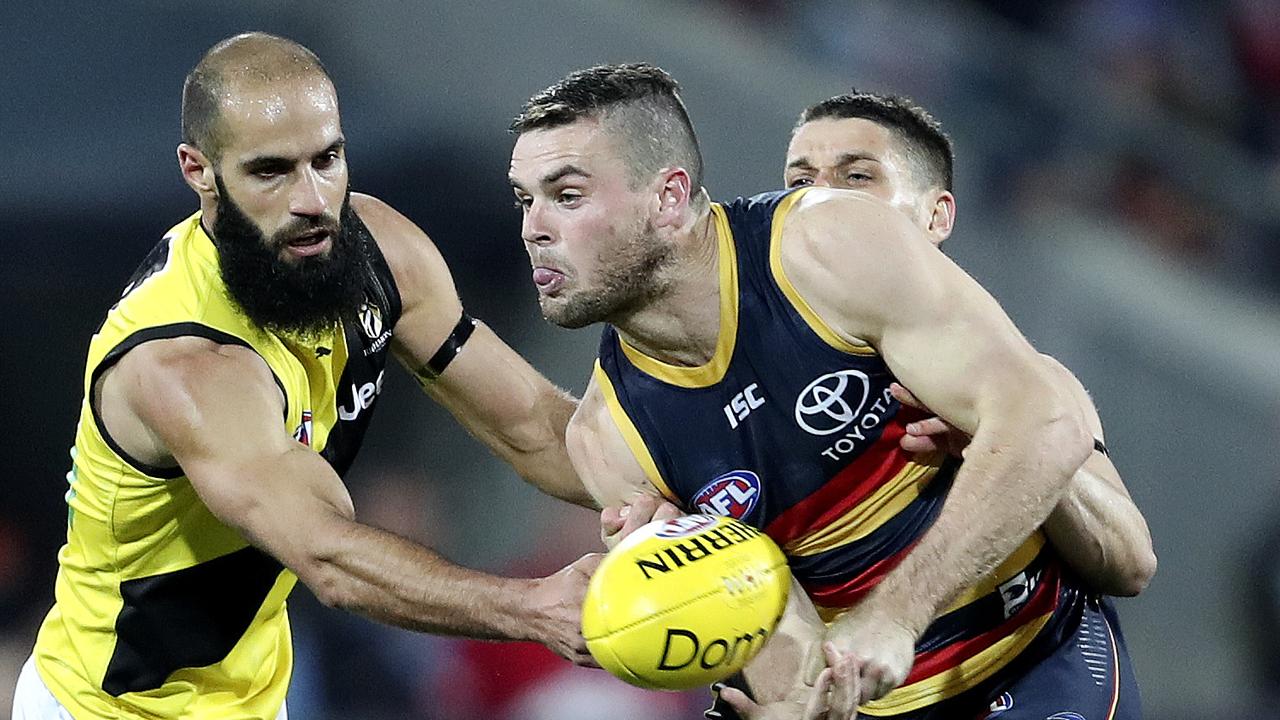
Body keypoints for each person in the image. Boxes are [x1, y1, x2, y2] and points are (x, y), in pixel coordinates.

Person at [506, 65, 1148, 719]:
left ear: (669, 197)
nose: (534, 227)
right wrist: (798, 706)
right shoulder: (608, 439)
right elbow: (777, 640)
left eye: (567, 194)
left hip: (1044, 664)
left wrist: (897, 614)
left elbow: (1087, 490)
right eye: (525, 199)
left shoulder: (827, 247)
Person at [12, 33, 600, 720]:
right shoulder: (184, 364)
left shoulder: (379, 251)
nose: (313, 199)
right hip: (109, 709)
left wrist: (689, 486)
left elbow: (531, 425)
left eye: (327, 159)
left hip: (256, 699)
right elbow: (329, 559)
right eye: (271, 171)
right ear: (199, 172)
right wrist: (533, 606)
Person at [781, 89, 1156, 600]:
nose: (817, 201)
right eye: (800, 181)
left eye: (857, 177)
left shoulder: (1025, 382)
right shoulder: (747, 382)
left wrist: (1013, 449)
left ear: (937, 217)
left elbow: (1130, 561)